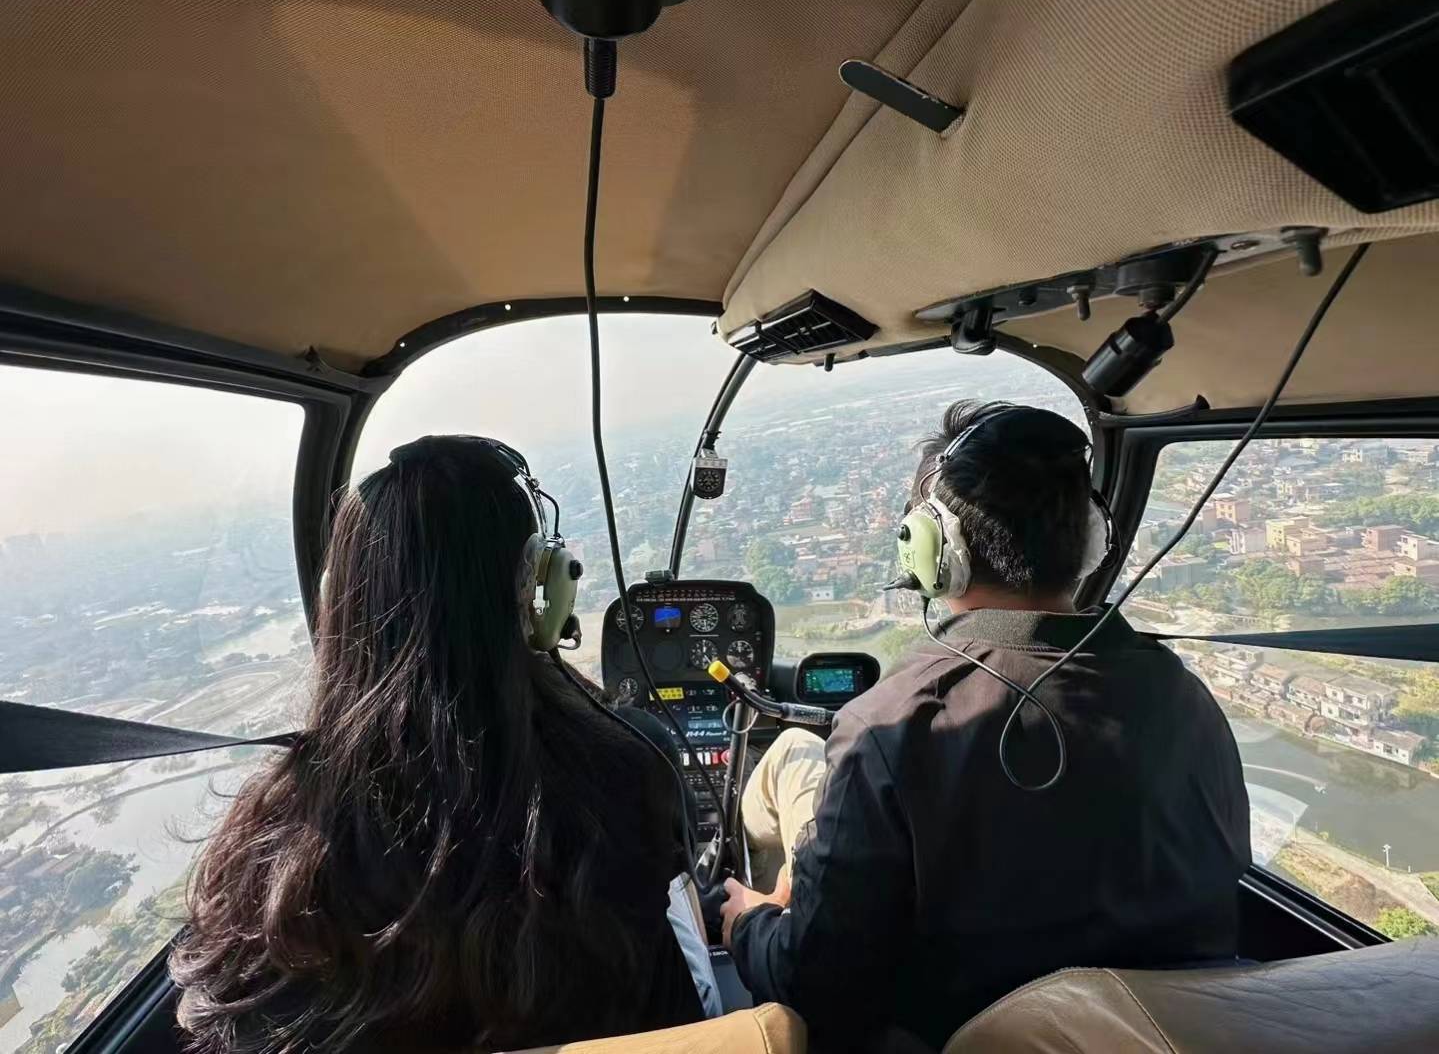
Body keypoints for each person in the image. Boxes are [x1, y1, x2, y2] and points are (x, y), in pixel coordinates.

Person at [721, 401, 1251, 1050]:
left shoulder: (886, 726)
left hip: (960, 1039)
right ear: (1089, 537)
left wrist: (747, 925)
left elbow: (819, 983)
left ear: (932, 551)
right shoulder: (1180, 692)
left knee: (790, 759)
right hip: (1175, 1032)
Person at [171, 435, 706, 1053]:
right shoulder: (622, 771)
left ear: (335, 603)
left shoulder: (269, 841)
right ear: (542, 588)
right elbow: (675, 1017)